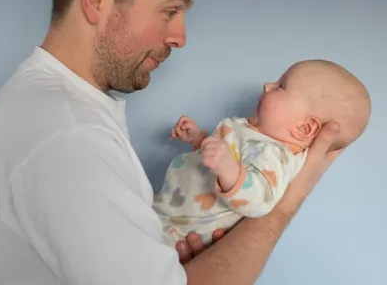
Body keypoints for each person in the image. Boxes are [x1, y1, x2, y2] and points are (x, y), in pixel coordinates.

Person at [0, 0, 345, 285]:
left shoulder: (53, 110)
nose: (179, 37)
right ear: (97, 0)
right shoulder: (69, 132)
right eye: (170, 11)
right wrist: (286, 203)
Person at [154, 59, 371, 247]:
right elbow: (213, 162)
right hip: (168, 213)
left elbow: (258, 199)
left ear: (305, 128)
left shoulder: (276, 155)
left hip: (179, 231)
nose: (267, 85)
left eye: (281, 86)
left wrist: (228, 168)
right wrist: (198, 139)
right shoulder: (254, 135)